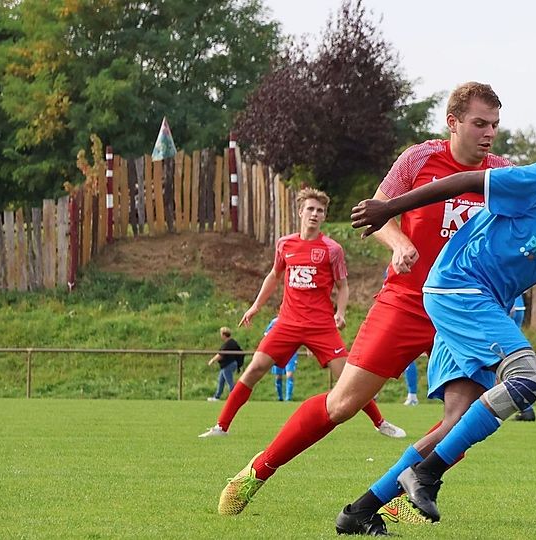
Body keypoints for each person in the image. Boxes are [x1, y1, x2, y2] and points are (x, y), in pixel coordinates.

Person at [216, 82, 513, 524]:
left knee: (466, 418)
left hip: (464, 310)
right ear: (453, 123)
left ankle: (392, 497)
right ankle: (260, 470)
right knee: (342, 405)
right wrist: (397, 242)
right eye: (479, 123)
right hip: (407, 300)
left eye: (494, 124)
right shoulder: (418, 159)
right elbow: (377, 210)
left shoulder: (503, 173)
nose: (489, 133)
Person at [340, 128, 536, 529]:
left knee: (454, 424)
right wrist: (390, 209)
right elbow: (469, 181)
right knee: (527, 378)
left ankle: (361, 511)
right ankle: (425, 474)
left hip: (485, 304)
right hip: (458, 285)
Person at [198, 188, 405, 440]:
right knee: (254, 369)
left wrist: (340, 313)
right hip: (287, 323)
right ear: (300, 212)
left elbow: (343, 287)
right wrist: (255, 306)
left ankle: (380, 423)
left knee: (349, 379)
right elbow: (274, 276)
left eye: (320, 211)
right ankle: (221, 427)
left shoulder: (332, 249)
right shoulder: (285, 244)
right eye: (310, 209)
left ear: (324, 217)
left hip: (321, 326)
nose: (315, 214)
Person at [264, 317, 298, 401]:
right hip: (278, 352)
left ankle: (288, 398)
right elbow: (266, 335)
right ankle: (280, 398)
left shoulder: (294, 321)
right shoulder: (274, 322)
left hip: (291, 352)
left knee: (289, 374)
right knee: (278, 376)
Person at [207, 327, 244, 402]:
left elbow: (221, 354)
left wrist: (212, 360)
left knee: (229, 382)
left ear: (224, 335)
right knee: (221, 381)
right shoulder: (232, 342)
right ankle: (217, 396)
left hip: (228, 365)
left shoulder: (229, 343)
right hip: (228, 365)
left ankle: (235, 397)